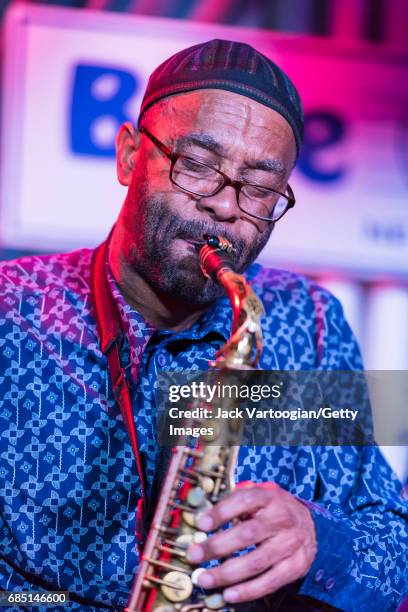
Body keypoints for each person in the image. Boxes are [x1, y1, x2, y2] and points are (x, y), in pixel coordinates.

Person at [0, 39, 406, 611]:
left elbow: (392, 547)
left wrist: (321, 543)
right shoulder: (12, 313)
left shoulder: (307, 320)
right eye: (196, 165)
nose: (224, 206)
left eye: (260, 187)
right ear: (128, 156)